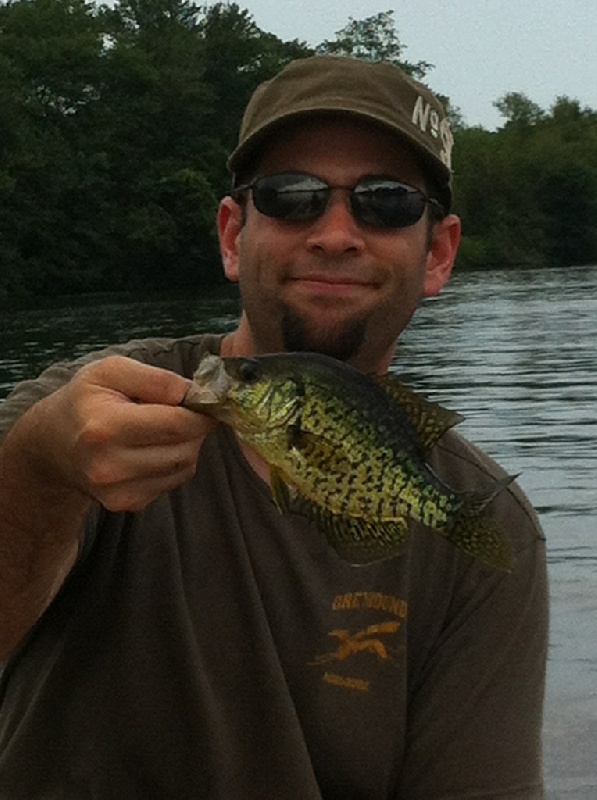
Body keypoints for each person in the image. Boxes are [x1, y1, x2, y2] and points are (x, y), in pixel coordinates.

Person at [0, 56, 548, 799]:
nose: (334, 233)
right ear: (232, 235)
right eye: (291, 197)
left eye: (384, 202)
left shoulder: (486, 526)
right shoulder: (80, 415)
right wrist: (39, 475)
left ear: (438, 254)